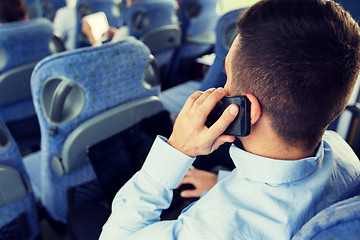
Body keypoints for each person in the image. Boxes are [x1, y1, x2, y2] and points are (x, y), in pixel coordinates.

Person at [99, 0, 360, 239]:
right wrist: (221, 181)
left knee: (82, 216)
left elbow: (115, 234)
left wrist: (176, 150)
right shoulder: (343, 153)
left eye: (227, 75)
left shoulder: (210, 228)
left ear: (246, 109)